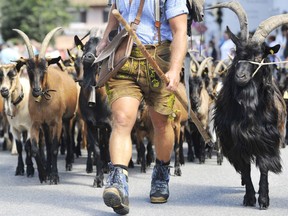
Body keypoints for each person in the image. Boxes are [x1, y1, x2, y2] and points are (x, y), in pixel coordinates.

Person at [96, 0, 188, 215]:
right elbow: (115, 11)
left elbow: (180, 31)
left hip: (160, 59)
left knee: (161, 123)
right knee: (121, 119)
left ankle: (161, 174)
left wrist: (175, 69)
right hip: (124, 57)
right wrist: (105, 38)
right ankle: (118, 184)